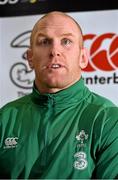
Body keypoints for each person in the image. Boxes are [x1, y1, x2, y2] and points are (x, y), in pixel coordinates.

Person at [0, 11, 118, 179]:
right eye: (44, 42)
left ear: (83, 57)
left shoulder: (109, 120)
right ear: (30, 58)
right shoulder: (5, 118)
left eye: (66, 41)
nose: (55, 50)